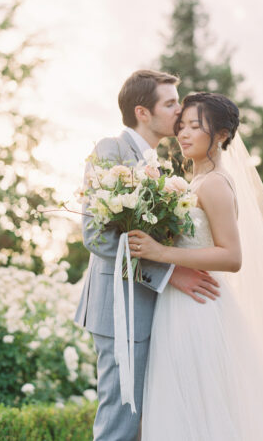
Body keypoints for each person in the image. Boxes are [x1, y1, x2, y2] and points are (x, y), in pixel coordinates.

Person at [128, 92, 263, 440]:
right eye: (181, 126)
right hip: (178, 305)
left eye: (195, 125)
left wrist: (161, 254)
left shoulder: (216, 184)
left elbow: (231, 256)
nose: (184, 134)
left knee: (209, 403)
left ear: (221, 135)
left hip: (203, 308)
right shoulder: (190, 183)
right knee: (185, 404)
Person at [74, 71, 221, 441]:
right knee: (121, 419)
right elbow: (96, 237)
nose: (180, 109)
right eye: (170, 103)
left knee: (148, 420)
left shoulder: (160, 164)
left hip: (155, 308)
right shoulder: (111, 150)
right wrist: (171, 273)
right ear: (142, 111)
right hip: (119, 308)